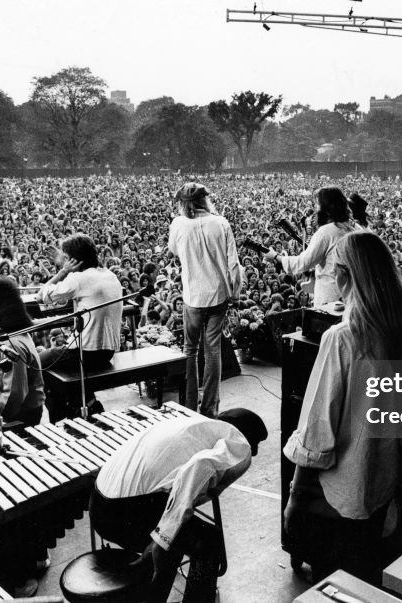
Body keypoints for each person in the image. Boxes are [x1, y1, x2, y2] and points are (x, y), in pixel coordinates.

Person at [283, 231, 402, 582]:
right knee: (364, 571)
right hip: (381, 479)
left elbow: (318, 430)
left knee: (332, 577)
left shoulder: (342, 339)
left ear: (345, 276)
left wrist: (295, 497)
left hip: (337, 490)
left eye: (333, 270)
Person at [91, 408, 268, 602]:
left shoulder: (192, 425)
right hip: (125, 513)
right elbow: (199, 466)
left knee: (176, 537)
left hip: (98, 503)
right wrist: (162, 537)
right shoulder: (239, 441)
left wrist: (165, 535)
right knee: (207, 541)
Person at [168, 183, 241, 418]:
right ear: (204, 200)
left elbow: (173, 250)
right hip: (218, 294)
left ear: (183, 203)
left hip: (193, 295)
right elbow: (233, 264)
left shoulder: (178, 224)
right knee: (213, 350)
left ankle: (190, 406)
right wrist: (235, 292)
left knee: (190, 349)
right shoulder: (221, 223)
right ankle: (210, 407)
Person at [37, 233, 123, 414]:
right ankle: (84, 403)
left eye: (64, 257)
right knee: (54, 361)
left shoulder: (79, 279)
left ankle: (70, 408)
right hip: (107, 351)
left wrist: (62, 272)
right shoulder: (109, 275)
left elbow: (42, 295)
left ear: (71, 260)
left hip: (86, 353)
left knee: (39, 361)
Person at [0, 277, 46, 427]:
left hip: (20, 418)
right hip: (21, 412)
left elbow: (14, 395)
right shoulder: (8, 336)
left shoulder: (10, 344)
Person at [265, 186, 356, 307]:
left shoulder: (327, 232)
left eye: (317, 205)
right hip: (350, 298)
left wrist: (276, 257)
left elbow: (303, 262)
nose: (315, 209)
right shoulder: (354, 228)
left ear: (325, 208)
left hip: (330, 300)